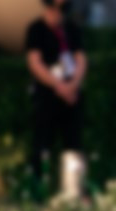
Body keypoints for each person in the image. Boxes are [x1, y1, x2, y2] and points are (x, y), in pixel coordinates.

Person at [25, 0, 87, 183]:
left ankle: (74, 187)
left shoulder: (71, 29)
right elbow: (35, 63)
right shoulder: (36, 29)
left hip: (71, 96)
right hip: (47, 96)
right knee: (42, 143)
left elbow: (80, 59)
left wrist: (74, 84)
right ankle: (39, 186)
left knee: (73, 144)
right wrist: (58, 86)